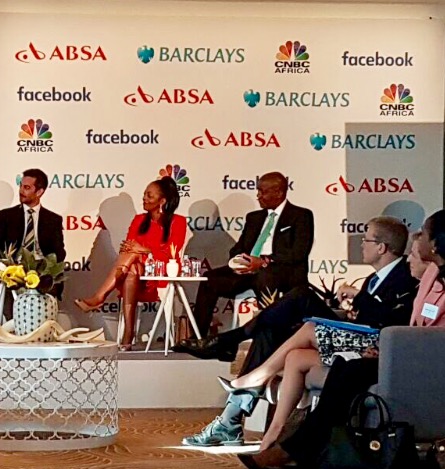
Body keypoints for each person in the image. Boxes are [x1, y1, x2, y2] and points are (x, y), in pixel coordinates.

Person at [239, 215, 445, 469]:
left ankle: (297, 452)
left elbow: (425, 334)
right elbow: (411, 324)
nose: (416, 242)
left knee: (346, 366)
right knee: (341, 365)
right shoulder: (431, 275)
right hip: (397, 353)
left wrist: (394, 348)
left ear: (436, 244)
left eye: (424, 234)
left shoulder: (413, 277)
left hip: (423, 363)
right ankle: (308, 455)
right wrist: (388, 347)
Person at [182, 216, 418, 447]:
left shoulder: (406, 277)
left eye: (365, 240)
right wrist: (350, 310)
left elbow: (394, 321)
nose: (361, 244)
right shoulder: (372, 279)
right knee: (269, 331)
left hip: (372, 347)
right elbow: (366, 315)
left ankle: (237, 349)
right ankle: (233, 420)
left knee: (302, 296)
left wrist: (360, 297)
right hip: (352, 335)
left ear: (381, 247)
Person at [185, 172, 314, 340]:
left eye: (263, 192)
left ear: (279, 192)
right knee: (210, 279)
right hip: (248, 271)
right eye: (258, 191)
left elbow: (298, 253)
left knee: (264, 276)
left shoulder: (301, 216)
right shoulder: (254, 218)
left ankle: (270, 337)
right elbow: (238, 248)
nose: (258, 196)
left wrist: (263, 261)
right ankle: (197, 338)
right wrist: (239, 261)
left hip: (281, 272)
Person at [75, 177, 187, 350]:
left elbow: (172, 251)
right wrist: (139, 251)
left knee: (133, 258)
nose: (144, 198)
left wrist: (144, 249)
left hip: (162, 273)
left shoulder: (177, 221)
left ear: (162, 201)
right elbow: (128, 247)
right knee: (132, 269)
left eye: (149, 195)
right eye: (144, 194)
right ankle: (128, 332)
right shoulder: (139, 220)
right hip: (136, 276)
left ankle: (100, 298)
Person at [0, 168, 66, 302]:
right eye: (21, 186)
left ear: (39, 192)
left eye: (27, 187)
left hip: (42, 275)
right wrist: (10, 267)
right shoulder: (7, 216)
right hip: (13, 274)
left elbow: (59, 253)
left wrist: (43, 269)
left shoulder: (53, 220)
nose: (21, 191)